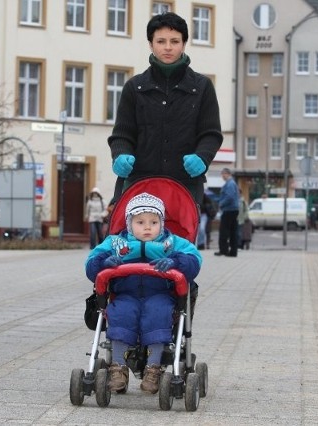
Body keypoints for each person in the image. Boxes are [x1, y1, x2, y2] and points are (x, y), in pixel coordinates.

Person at [85, 192, 201, 394]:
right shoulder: (115, 244)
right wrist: (104, 263)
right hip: (125, 295)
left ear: (162, 223)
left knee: (159, 312)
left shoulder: (172, 244)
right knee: (119, 313)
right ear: (129, 223)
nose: (148, 227)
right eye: (140, 222)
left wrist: (176, 262)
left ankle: (153, 368)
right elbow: (90, 265)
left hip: (160, 295)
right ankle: (117, 367)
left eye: (154, 222)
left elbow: (194, 260)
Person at [107, 12, 223, 208]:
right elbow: (122, 135)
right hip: (140, 185)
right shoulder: (134, 87)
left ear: (184, 44)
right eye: (161, 41)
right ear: (151, 44)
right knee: (140, 239)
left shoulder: (202, 87)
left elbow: (211, 134)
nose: (168, 47)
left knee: (180, 239)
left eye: (174, 41)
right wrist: (120, 155)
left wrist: (202, 157)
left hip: (185, 186)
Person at [215, 168, 239, 257]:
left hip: (229, 210)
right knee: (233, 231)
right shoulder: (231, 183)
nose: (222, 176)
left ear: (228, 174)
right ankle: (233, 251)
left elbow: (230, 197)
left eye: (223, 174)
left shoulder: (230, 184)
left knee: (224, 231)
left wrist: (221, 204)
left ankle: (223, 250)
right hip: (233, 210)